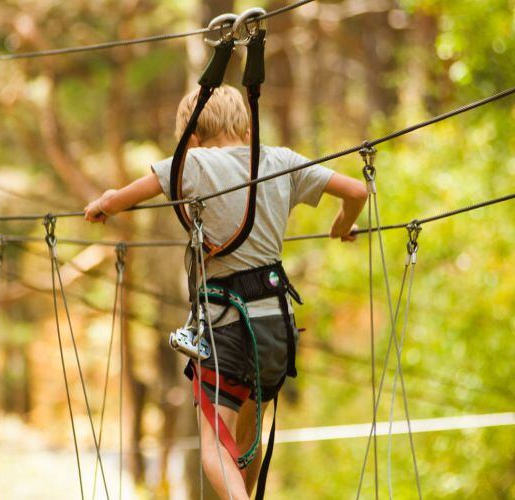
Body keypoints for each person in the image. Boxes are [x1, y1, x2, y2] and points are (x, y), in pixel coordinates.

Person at [84, 84, 368, 499]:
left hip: (227, 325)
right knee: (248, 432)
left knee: (216, 441)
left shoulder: (193, 162)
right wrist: (343, 225)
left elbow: (125, 199)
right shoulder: (281, 160)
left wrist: (104, 204)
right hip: (276, 325)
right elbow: (357, 192)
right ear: (246, 126)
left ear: (192, 136)